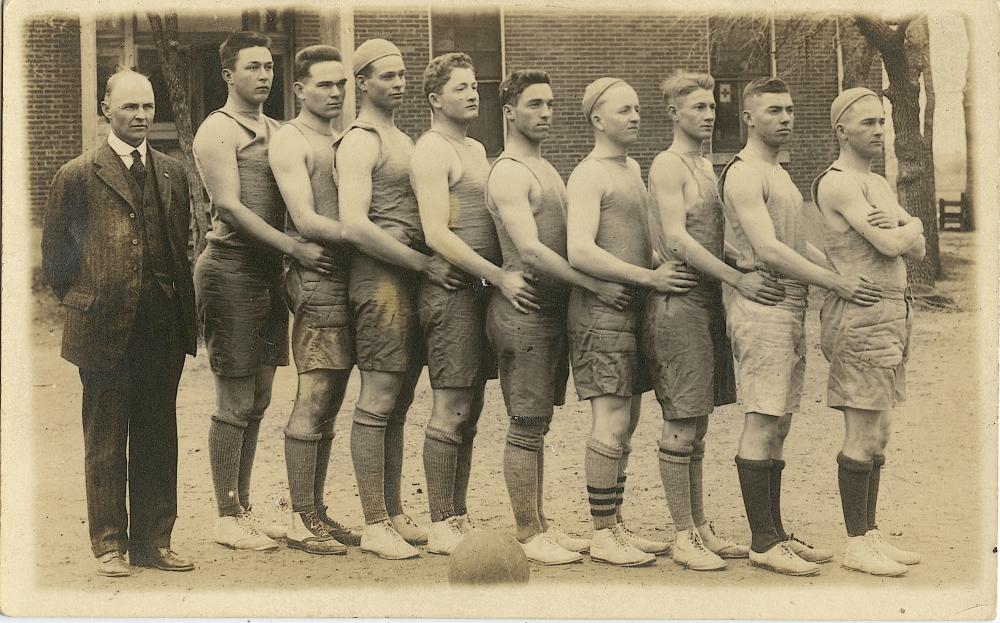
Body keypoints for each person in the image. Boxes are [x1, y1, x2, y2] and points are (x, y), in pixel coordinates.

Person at [719, 77, 884, 576]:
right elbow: (768, 250)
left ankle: (775, 532)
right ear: (748, 117)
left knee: (780, 422)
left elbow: (793, 243)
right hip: (763, 305)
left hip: (789, 304)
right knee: (762, 417)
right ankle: (763, 541)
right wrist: (836, 283)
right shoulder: (746, 173)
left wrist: (834, 276)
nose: (785, 118)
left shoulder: (779, 172)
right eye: (773, 110)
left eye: (789, 109)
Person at [42, 69, 197, 577]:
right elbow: (58, 259)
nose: (141, 117)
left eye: (148, 107)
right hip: (104, 326)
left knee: (158, 436)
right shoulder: (78, 174)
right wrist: (88, 299)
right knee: (106, 439)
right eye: (130, 107)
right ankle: (109, 544)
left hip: (161, 325)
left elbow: (180, 247)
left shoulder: (172, 172)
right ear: (105, 110)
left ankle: (154, 542)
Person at [194, 31, 336, 552]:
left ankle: (245, 507)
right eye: (252, 67)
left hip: (269, 275)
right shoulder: (217, 130)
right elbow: (229, 206)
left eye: (270, 67)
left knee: (259, 396)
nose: (264, 75)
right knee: (233, 397)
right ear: (228, 75)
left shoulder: (279, 130)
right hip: (230, 268)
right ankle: (226, 514)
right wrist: (294, 249)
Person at [644, 71, 786, 571]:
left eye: (711, 107)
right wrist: (737, 277)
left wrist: (741, 264)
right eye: (698, 108)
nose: (708, 115)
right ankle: (682, 534)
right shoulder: (667, 165)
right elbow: (679, 239)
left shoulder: (705, 164)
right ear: (673, 114)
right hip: (679, 300)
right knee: (681, 419)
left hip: (706, 300)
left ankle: (700, 526)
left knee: (698, 421)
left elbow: (710, 234)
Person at [487, 70, 625, 565]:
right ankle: (527, 531)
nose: (545, 113)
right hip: (522, 312)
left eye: (549, 104)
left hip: (548, 312)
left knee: (538, 421)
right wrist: (592, 284)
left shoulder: (542, 165)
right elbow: (529, 249)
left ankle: (539, 523)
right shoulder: (508, 171)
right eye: (534, 105)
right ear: (509, 111)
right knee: (525, 422)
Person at [336, 38, 462, 560]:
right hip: (380, 278)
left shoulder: (405, 139)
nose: (399, 83)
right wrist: (418, 263)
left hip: (410, 278)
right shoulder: (361, 140)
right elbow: (353, 223)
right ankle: (372, 522)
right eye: (386, 76)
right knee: (378, 398)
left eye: (403, 74)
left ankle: (391, 511)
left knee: (401, 401)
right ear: (362, 82)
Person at [566, 77, 700, 567]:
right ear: (598, 119)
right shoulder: (588, 174)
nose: (635, 116)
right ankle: (602, 532)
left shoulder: (632, 167)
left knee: (630, 421)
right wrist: (649, 277)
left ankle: (615, 524)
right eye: (624, 110)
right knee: (611, 421)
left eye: (638, 108)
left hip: (632, 310)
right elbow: (579, 249)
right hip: (600, 313)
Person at [411, 53, 537, 555]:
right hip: (452, 295)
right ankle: (441, 519)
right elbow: (436, 232)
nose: (471, 94)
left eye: (474, 86)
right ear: (434, 99)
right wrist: (498, 276)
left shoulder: (478, 148)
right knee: (451, 404)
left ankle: (457, 512)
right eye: (459, 87)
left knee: (473, 406)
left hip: (479, 292)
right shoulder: (431, 150)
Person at [813, 87, 925, 576]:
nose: (879, 131)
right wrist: (912, 224)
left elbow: (916, 252)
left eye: (882, 122)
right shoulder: (839, 183)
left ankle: (871, 534)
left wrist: (910, 225)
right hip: (861, 316)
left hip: (893, 312)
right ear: (842, 130)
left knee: (880, 431)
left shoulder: (878, 182)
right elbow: (887, 242)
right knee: (861, 429)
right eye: (867, 124)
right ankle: (856, 544)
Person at [268, 44, 358, 555]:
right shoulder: (291, 139)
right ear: (300, 88)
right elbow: (304, 219)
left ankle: (317, 511)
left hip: (350, 275)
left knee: (335, 398)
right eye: (325, 84)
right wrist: (371, 235)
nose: (336, 92)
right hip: (318, 276)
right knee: (316, 394)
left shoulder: (345, 138)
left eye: (342, 84)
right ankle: (301, 518)